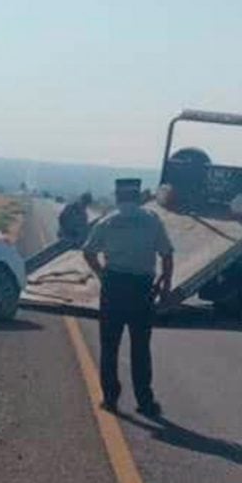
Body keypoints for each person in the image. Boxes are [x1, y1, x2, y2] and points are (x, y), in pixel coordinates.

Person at [82, 179, 174, 417]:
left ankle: (110, 398)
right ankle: (144, 400)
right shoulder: (152, 220)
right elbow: (167, 255)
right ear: (138, 196)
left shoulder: (108, 221)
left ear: (118, 197)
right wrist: (165, 288)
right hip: (142, 289)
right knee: (140, 347)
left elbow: (88, 251)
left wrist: (102, 275)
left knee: (110, 345)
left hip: (114, 287)